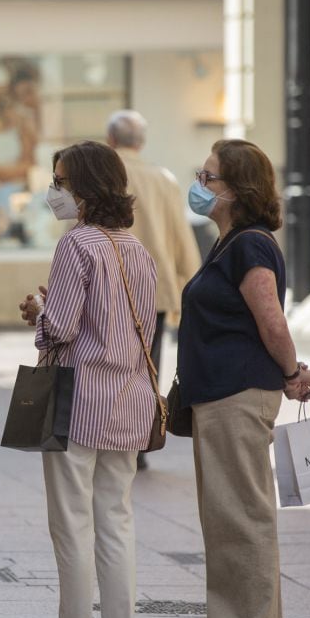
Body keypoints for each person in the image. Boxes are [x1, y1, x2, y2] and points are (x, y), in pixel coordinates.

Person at [178, 139, 310, 618]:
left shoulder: (250, 247)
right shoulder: (229, 243)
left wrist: (292, 373)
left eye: (209, 175)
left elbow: (272, 320)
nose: (199, 183)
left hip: (236, 394)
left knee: (240, 515)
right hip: (222, 395)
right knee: (228, 515)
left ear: (238, 189)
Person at [18, 141, 157, 618]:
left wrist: (39, 314)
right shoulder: (135, 249)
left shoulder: (77, 245)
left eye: (61, 181)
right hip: (127, 400)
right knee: (116, 523)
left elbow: (63, 329)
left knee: (72, 526)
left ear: (85, 188)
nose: (54, 192)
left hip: (75, 399)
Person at [107, 110, 201, 470]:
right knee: (149, 368)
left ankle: (116, 437)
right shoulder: (163, 179)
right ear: (140, 142)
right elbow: (181, 237)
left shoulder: (107, 177)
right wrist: (188, 284)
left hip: (113, 287)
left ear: (111, 141)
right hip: (156, 289)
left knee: (112, 365)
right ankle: (143, 439)